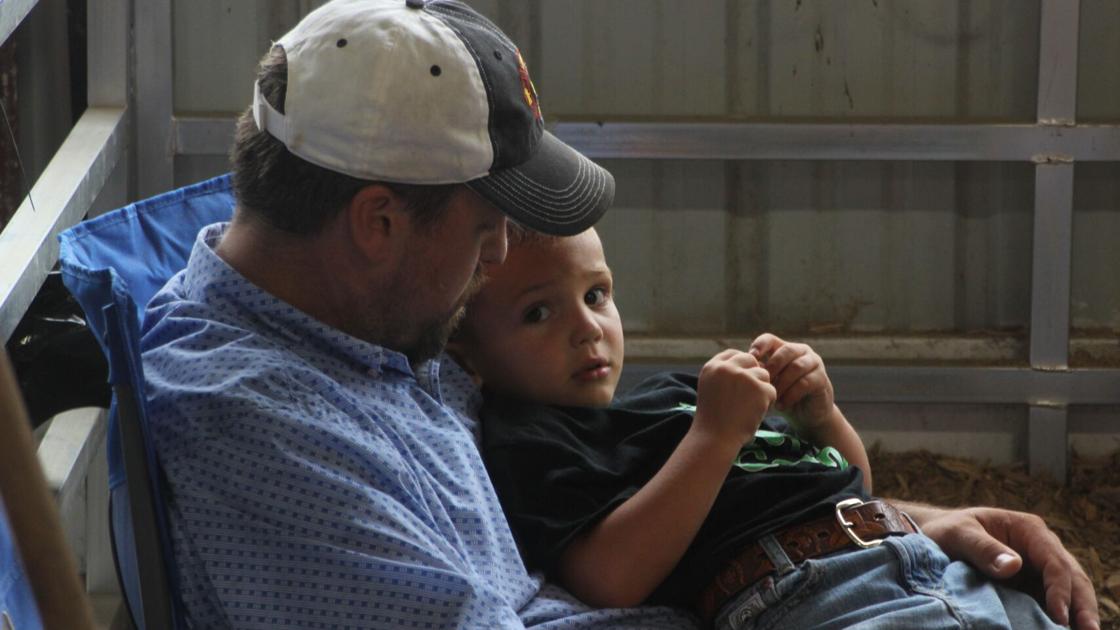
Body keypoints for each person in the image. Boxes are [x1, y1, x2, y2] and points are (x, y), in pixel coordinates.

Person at [137, 0, 1099, 628]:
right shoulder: (262, 431)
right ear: (380, 219)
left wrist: (883, 531)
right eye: (485, 228)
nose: (502, 259)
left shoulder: (376, 332)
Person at [451, 226, 1099, 629]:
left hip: (922, 561)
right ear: (469, 356)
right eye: (538, 312)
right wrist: (713, 437)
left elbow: (847, 487)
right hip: (809, 595)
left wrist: (820, 414)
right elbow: (607, 579)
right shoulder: (530, 438)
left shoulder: (675, 397)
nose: (588, 328)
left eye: (597, 295)